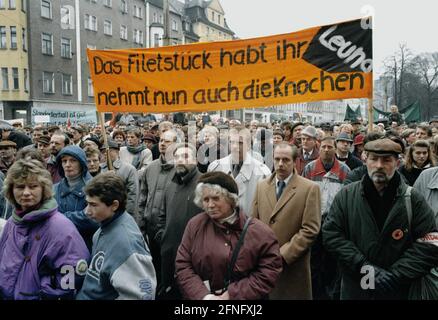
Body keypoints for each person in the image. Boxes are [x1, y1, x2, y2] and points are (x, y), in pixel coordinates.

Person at [323, 138, 438, 299]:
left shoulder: (412, 198)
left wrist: (396, 275)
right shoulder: (346, 195)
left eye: (386, 160)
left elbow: (430, 242)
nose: (379, 165)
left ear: (397, 163)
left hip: (398, 289)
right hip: (356, 287)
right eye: (374, 159)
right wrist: (365, 267)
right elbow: (332, 234)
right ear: (365, 160)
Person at [175, 172, 283, 300]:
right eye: (205, 199)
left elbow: (268, 272)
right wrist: (204, 296)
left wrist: (232, 295)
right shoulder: (195, 225)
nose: (210, 205)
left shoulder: (260, 233)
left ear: (231, 199)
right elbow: (183, 266)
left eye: (216, 198)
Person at [0, 159, 89, 300]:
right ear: (11, 190)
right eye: (20, 187)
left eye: (33, 186)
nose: (26, 193)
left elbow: (72, 276)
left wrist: (44, 293)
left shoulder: (61, 227)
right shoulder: (12, 223)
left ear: (44, 189)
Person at [252, 142, 321, 299]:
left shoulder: (309, 188)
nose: (280, 164)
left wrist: (282, 255)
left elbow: (310, 230)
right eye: (277, 159)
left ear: (295, 161)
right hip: (263, 267)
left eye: (286, 160)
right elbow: (253, 223)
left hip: (292, 268)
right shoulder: (261, 186)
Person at [76, 172, 156, 300]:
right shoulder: (105, 226)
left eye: (93, 205)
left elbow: (143, 294)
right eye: (87, 203)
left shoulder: (126, 242)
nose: (87, 211)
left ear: (114, 205)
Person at [157, 143, 203, 299]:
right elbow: (162, 214)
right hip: (169, 255)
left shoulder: (204, 184)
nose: (180, 160)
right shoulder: (171, 184)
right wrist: (163, 235)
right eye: (176, 157)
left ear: (195, 160)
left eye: (185, 156)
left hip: (194, 258)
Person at [138, 129, 177, 283]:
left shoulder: (181, 168)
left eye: (167, 141)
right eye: (161, 140)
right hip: (150, 229)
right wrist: (141, 226)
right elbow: (142, 199)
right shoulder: (151, 168)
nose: (162, 144)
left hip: (169, 232)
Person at [208, 126, 271, 216]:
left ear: (249, 145)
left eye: (240, 143)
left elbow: (265, 209)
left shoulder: (262, 173)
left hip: (249, 226)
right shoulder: (215, 168)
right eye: (232, 142)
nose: (234, 146)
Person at [54, 145, 98, 249]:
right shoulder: (54, 189)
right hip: (60, 244)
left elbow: (94, 219)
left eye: (73, 160)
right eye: (64, 161)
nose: (67, 165)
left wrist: (59, 219)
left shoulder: (95, 187)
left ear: (81, 163)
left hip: (86, 244)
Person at [100, 140, 139, 220]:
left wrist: (127, 214)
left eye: (109, 151)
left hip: (122, 213)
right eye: (103, 152)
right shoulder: (100, 169)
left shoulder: (129, 169)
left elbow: (133, 195)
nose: (106, 154)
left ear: (117, 151)